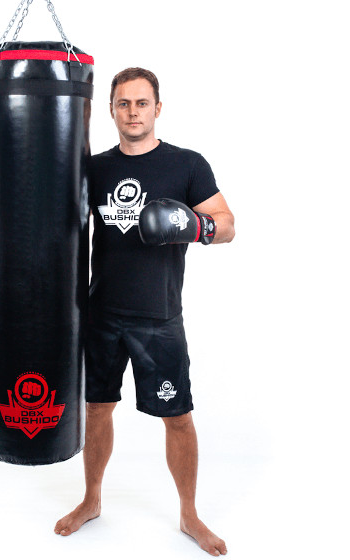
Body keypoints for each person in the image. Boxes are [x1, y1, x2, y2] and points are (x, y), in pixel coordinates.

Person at [54, 67, 234, 557]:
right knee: (96, 409)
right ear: (111, 110)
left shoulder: (186, 164)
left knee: (177, 416)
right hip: (101, 313)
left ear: (157, 108)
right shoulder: (94, 169)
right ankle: (92, 500)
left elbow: (227, 223)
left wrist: (194, 225)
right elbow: (56, 227)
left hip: (159, 317)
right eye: (123, 103)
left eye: (141, 103)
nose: (132, 112)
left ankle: (189, 513)